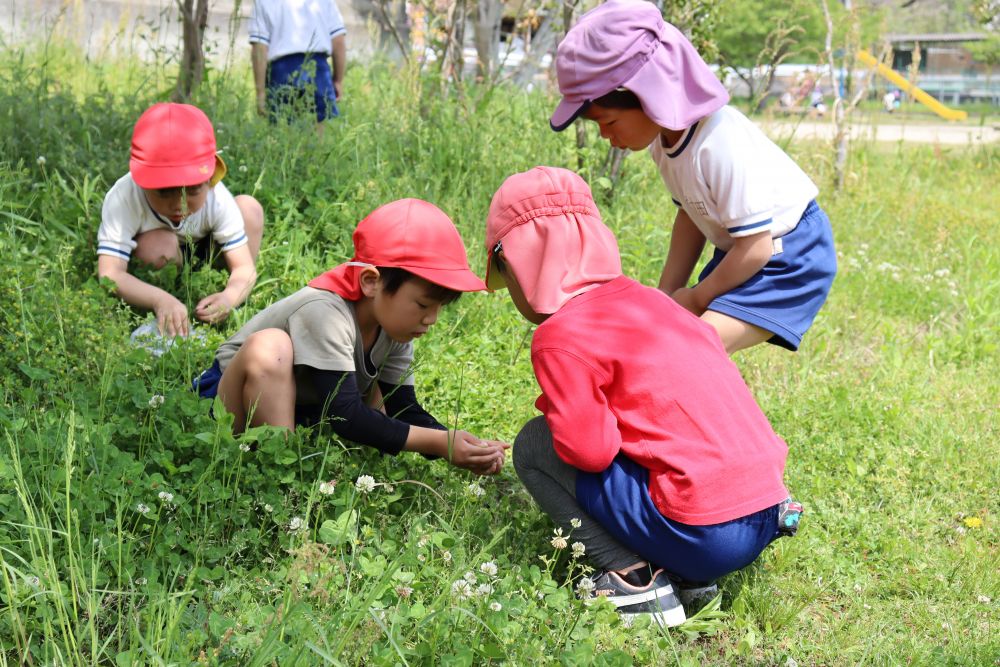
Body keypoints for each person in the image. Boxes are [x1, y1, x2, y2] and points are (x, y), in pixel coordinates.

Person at [485, 166, 801, 627]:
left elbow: (589, 453)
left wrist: (565, 412)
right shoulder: (657, 305)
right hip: (767, 512)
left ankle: (635, 581)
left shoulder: (560, 335)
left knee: (534, 444)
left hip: (705, 531)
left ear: (517, 261)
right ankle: (689, 573)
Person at [548, 0, 837, 355]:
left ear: (649, 94)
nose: (606, 136)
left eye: (609, 122)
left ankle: (715, 409)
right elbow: (690, 215)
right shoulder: (664, 141)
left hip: (788, 254)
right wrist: (667, 296)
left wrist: (698, 296)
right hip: (743, 250)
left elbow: (757, 246)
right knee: (669, 338)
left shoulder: (719, 143)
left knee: (692, 350)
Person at [193, 198, 508, 475]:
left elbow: (401, 407)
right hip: (227, 402)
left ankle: (287, 452)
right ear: (371, 282)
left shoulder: (396, 325)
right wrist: (440, 443)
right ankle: (278, 472)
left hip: (302, 404)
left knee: (378, 400)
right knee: (270, 347)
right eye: (423, 304)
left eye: (440, 307)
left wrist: (461, 444)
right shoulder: (325, 311)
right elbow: (345, 416)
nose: (432, 318)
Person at [97, 103, 265, 337]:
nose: (180, 204)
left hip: (208, 248)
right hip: (162, 252)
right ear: (142, 181)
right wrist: (160, 299)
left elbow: (244, 267)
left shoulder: (217, 199)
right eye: (164, 192)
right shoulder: (124, 196)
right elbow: (110, 273)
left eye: (193, 191)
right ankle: (171, 288)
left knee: (250, 209)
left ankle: (220, 288)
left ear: (211, 177)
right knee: (157, 247)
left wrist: (229, 297)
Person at [249, 0, 347, 126]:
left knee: (283, 132)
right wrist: (338, 80)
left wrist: (260, 93)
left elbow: (259, 48)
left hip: (281, 73)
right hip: (318, 72)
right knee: (318, 130)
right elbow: (338, 40)